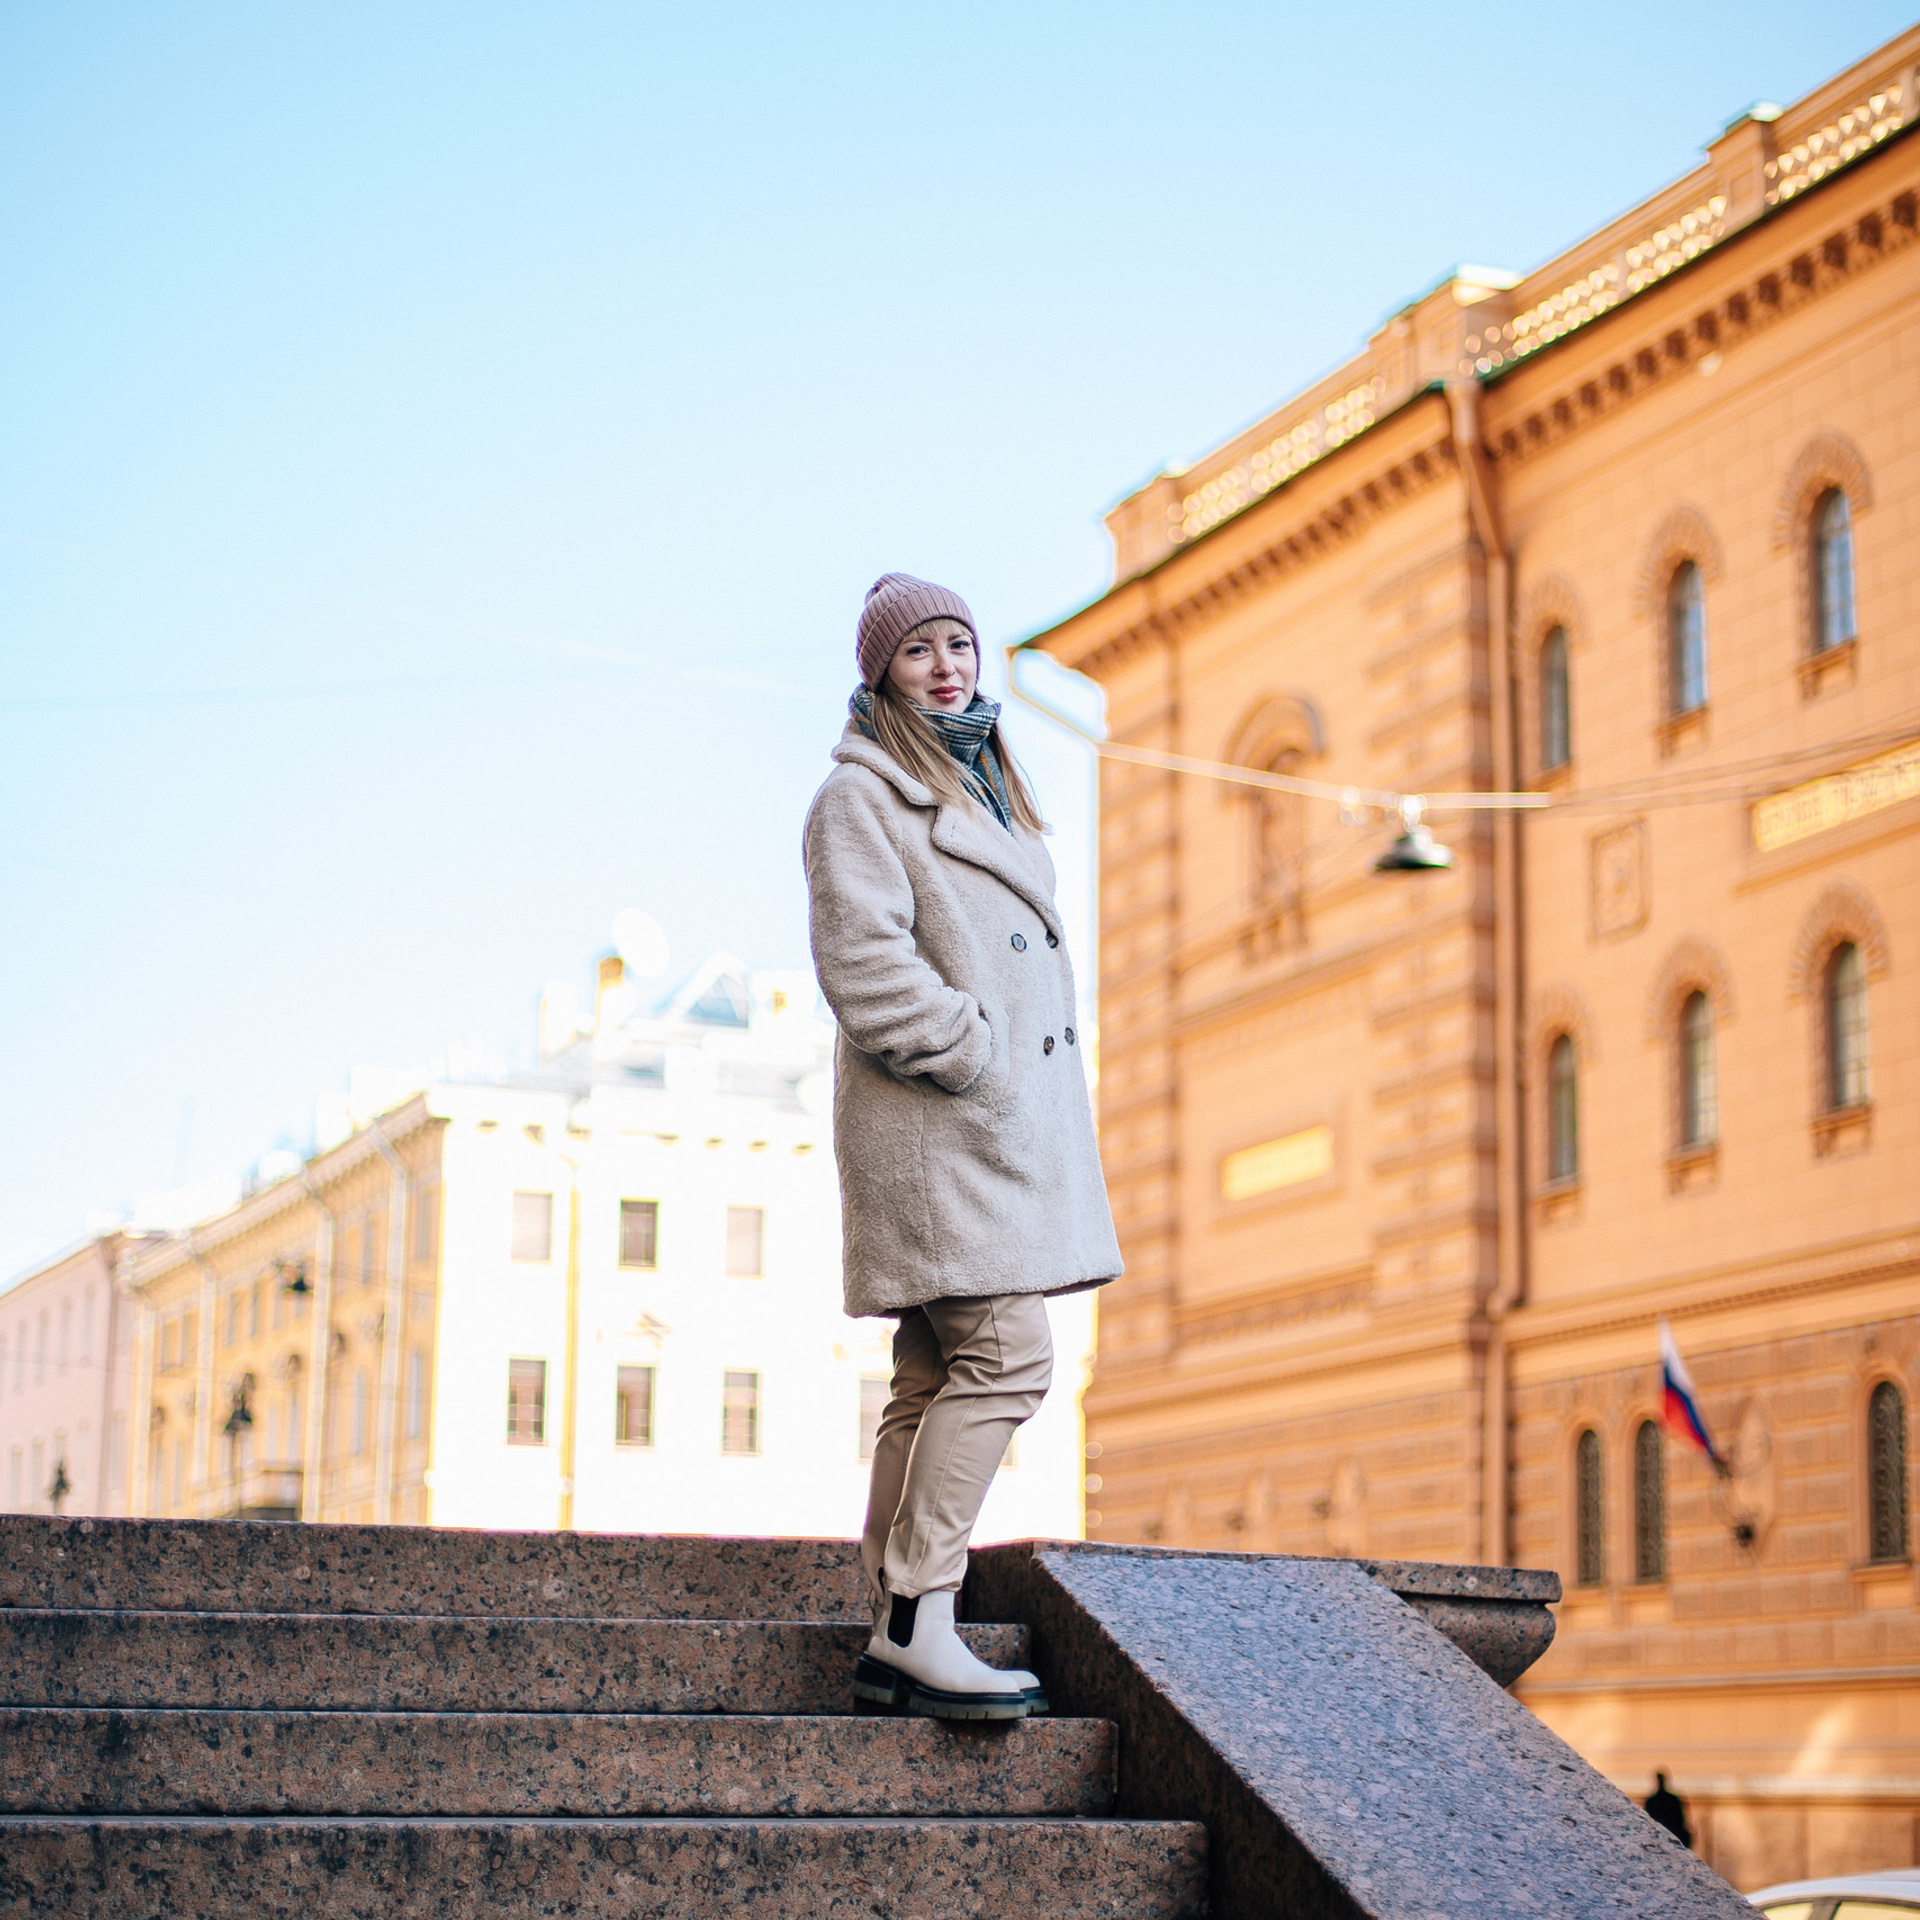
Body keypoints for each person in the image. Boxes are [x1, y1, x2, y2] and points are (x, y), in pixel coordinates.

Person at [803, 573, 1122, 1720]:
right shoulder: (862, 797)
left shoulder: (983, 788)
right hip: (941, 1131)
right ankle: (914, 1620)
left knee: (933, 1374)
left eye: (959, 644)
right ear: (881, 672)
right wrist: (975, 1054)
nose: (946, 666)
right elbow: (865, 964)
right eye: (919, 650)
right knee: (1009, 1357)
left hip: (981, 1134)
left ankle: (891, 1613)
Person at [1644, 1771, 1692, 1848]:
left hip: (1671, 1833)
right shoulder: (1654, 1800)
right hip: (1663, 1835)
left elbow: (1680, 1818)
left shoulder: (1669, 1799)